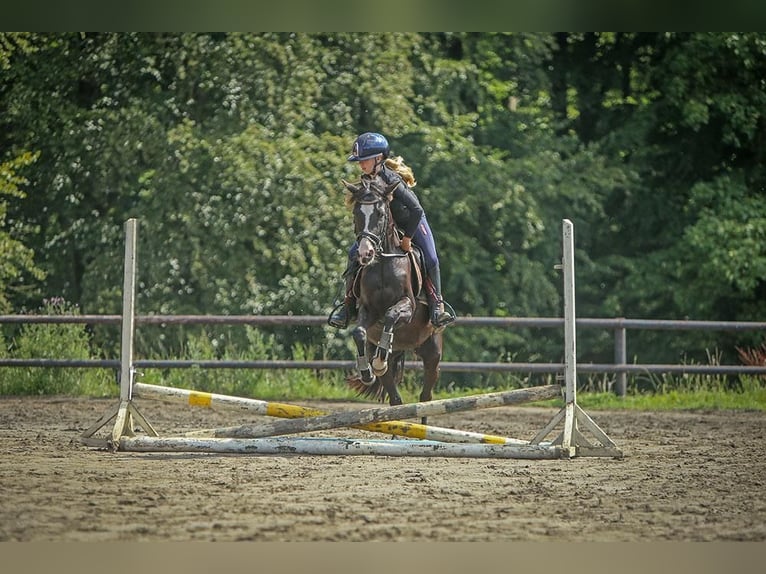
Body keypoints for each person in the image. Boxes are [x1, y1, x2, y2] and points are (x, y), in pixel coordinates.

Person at [328, 131, 455, 329]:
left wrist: (407, 238)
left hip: (412, 221)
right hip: (386, 226)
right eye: (359, 161)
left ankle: (436, 305)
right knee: (353, 253)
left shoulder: (392, 180)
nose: (361, 164)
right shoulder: (367, 181)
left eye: (364, 160)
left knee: (431, 258)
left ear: (378, 158)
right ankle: (348, 306)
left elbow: (416, 209)